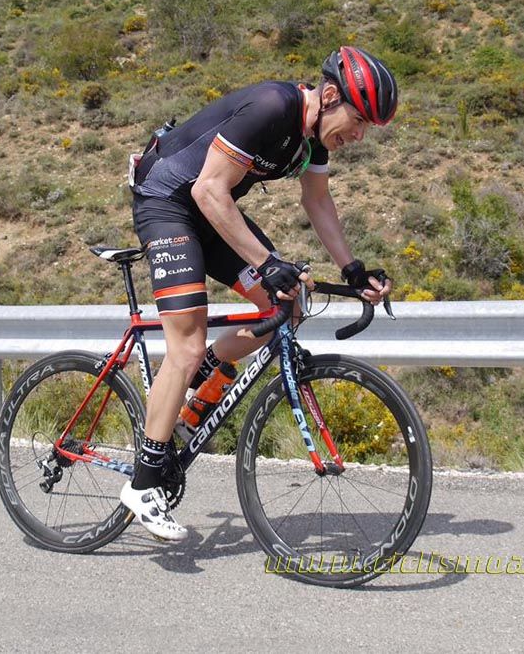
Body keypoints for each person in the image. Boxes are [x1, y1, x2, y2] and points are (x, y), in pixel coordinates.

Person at [121, 46, 399, 541]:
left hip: (209, 210)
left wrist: (352, 270)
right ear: (330, 95)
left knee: (286, 305)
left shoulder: (314, 144)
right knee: (184, 344)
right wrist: (265, 262)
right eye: (358, 121)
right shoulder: (274, 107)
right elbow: (208, 189)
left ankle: (190, 397)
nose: (359, 135)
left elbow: (318, 201)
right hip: (169, 200)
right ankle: (142, 484)